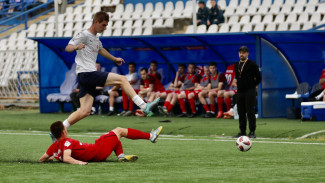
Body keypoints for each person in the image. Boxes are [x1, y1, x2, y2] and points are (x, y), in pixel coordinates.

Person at [61, 12, 160, 132]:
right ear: (96, 22)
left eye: (106, 25)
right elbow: (68, 47)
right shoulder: (84, 35)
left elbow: (101, 50)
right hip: (87, 73)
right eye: (103, 25)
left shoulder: (95, 37)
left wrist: (114, 59)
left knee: (85, 111)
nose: (105, 28)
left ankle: (61, 128)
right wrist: (76, 47)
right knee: (122, 79)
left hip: (87, 76)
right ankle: (144, 106)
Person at [39, 121, 163, 164]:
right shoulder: (67, 142)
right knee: (119, 130)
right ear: (63, 133)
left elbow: (42, 159)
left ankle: (120, 156)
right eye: (65, 129)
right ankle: (151, 136)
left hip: (96, 148)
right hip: (98, 152)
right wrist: (79, 163)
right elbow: (67, 158)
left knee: (110, 136)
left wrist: (52, 158)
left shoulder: (53, 147)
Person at [233, 46, 261, 139]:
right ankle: (242, 131)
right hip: (240, 91)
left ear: (247, 53)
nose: (241, 54)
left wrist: (254, 86)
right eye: (240, 52)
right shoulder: (236, 64)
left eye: (243, 52)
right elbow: (237, 77)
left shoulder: (252, 64)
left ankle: (252, 131)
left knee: (250, 112)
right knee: (241, 112)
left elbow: (258, 77)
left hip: (250, 91)